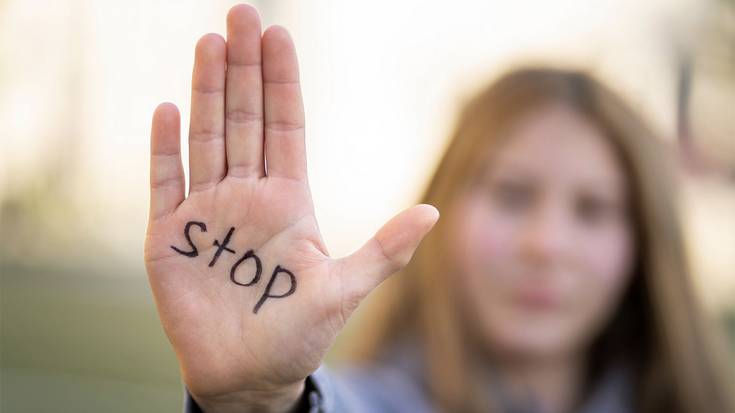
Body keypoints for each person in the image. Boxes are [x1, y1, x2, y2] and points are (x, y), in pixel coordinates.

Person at [143, 4, 735, 413]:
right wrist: (256, 403)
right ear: (444, 207)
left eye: (593, 209)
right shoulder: (360, 401)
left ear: (645, 243)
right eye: (512, 194)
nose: (545, 243)